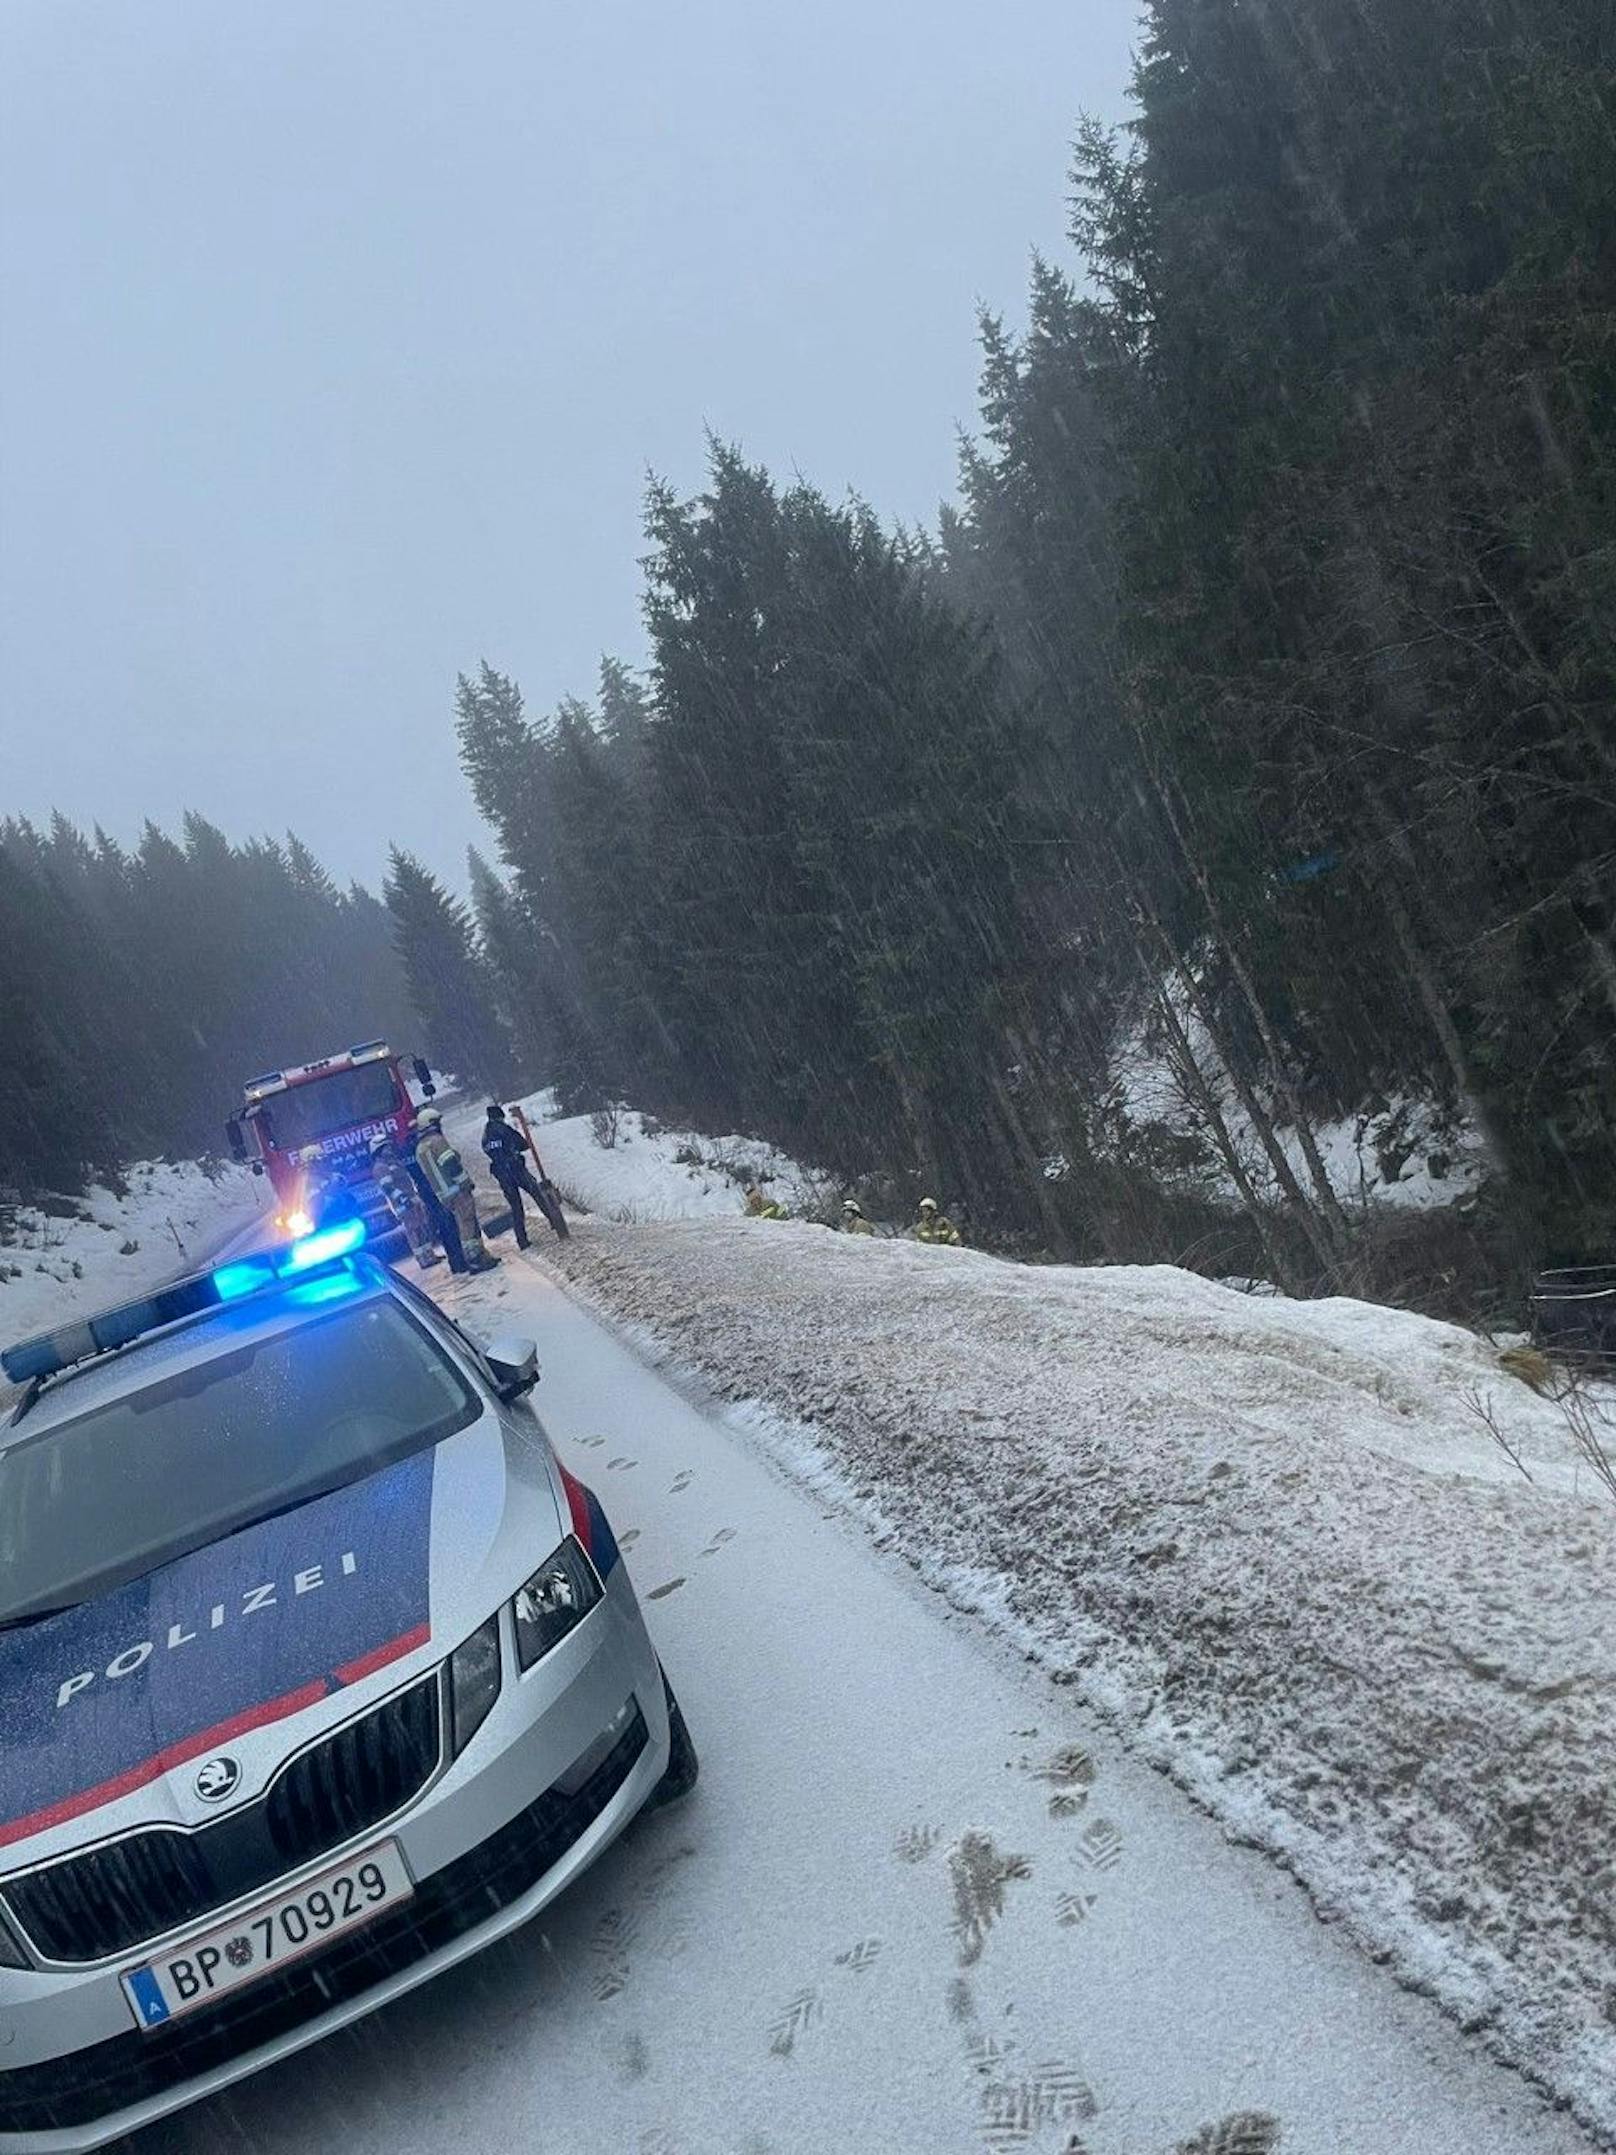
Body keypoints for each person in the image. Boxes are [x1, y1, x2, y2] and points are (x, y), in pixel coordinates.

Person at [412, 1109, 498, 1274]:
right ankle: (475, 1258)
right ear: (432, 1124)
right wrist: (465, 1182)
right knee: (467, 1223)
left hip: (443, 1195)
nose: (440, 1125)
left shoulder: (420, 1149)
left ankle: (475, 1257)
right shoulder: (437, 1141)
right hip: (457, 1190)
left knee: (461, 1223)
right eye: (437, 1122)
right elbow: (451, 1163)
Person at [482, 1103, 567, 1247]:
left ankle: (521, 1240)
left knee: (516, 1206)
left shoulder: (486, 1135)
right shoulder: (504, 1129)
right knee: (537, 1193)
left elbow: (487, 1150)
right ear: (499, 1116)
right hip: (515, 1169)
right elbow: (523, 1144)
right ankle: (554, 1221)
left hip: (502, 1174)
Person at [368, 1133, 440, 1269]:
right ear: (378, 1150)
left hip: (412, 1200)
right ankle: (422, 1259)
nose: (389, 1149)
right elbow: (388, 1188)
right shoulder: (380, 1167)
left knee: (422, 1227)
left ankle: (429, 1255)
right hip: (403, 1204)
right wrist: (403, 1199)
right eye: (385, 1147)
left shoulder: (393, 1162)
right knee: (413, 1231)